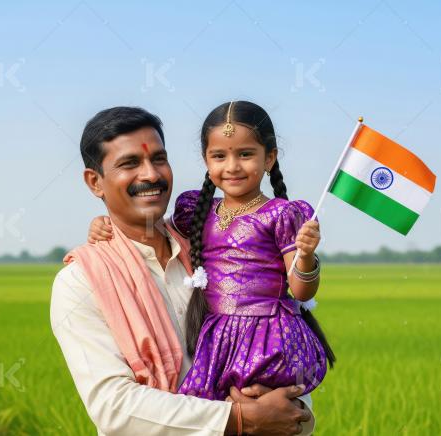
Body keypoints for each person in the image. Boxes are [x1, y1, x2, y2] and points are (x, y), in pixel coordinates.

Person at [50, 106, 315, 435]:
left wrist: (291, 410)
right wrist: (241, 420)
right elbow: (114, 406)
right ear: (95, 182)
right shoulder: (82, 282)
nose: (151, 175)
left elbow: (277, 340)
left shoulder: (211, 245)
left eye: (159, 159)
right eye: (130, 163)